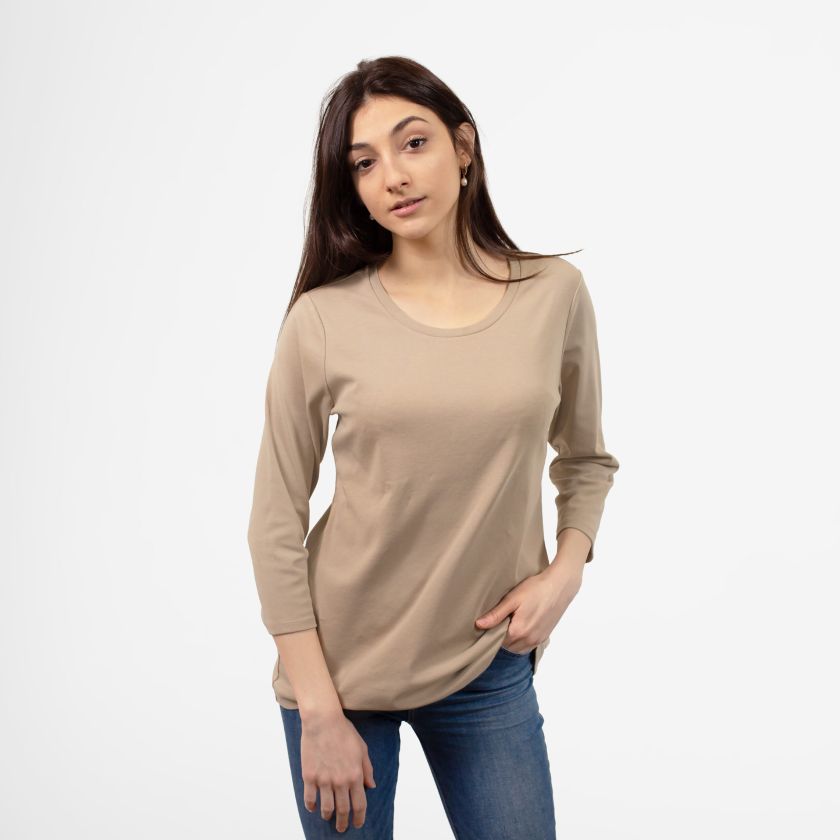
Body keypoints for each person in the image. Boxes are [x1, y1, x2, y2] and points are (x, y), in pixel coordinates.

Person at [246, 55, 620, 839]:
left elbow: (585, 459)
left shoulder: (552, 294)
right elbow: (276, 522)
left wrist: (565, 573)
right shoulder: (323, 320)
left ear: (463, 146)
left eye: (412, 143)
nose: (393, 176)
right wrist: (318, 708)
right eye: (364, 163)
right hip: (339, 673)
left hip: (486, 661)